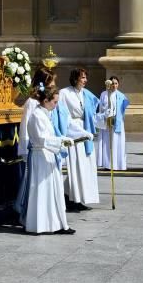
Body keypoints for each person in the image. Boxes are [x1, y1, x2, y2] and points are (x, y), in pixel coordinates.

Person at [20, 85, 75, 235]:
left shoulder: (45, 114)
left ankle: (54, 223)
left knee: (53, 189)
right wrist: (61, 142)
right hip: (40, 156)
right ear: (45, 100)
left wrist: (62, 139)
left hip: (48, 155)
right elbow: (41, 139)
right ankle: (40, 224)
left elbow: (49, 136)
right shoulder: (37, 115)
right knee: (42, 189)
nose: (56, 105)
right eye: (55, 102)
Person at [15, 67, 56, 214]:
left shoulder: (47, 101)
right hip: (34, 148)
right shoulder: (32, 103)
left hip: (46, 147)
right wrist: (24, 149)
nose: (54, 84)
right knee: (30, 182)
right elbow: (25, 126)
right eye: (52, 82)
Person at [58, 68, 100, 210]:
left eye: (85, 77)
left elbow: (94, 111)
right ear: (75, 78)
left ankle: (78, 196)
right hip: (73, 131)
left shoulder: (87, 94)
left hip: (86, 130)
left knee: (86, 166)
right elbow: (63, 114)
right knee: (76, 166)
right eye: (82, 77)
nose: (85, 80)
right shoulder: (64, 93)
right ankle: (72, 199)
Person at [96, 76, 129, 171]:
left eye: (116, 83)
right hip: (107, 121)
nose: (114, 85)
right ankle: (108, 164)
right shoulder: (104, 94)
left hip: (117, 122)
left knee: (117, 142)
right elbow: (101, 108)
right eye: (112, 83)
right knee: (107, 142)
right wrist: (104, 114)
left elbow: (123, 109)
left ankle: (118, 164)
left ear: (118, 84)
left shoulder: (121, 96)